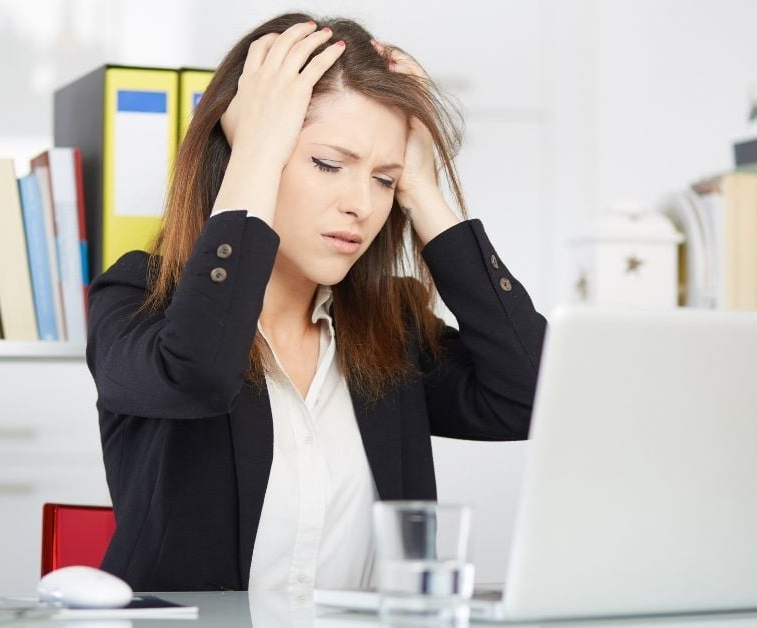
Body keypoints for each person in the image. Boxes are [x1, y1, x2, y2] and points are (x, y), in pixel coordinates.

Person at [85, 12, 547, 594]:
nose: (362, 204)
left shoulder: (389, 327)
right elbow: (197, 373)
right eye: (328, 164)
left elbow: (531, 396)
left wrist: (425, 189)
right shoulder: (137, 298)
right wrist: (253, 150)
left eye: (385, 179)